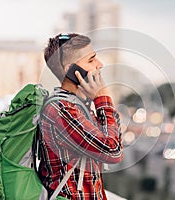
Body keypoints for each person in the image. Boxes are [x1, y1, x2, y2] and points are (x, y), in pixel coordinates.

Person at [39, 33, 124, 200]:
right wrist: (102, 98)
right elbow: (114, 152)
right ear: (71, 70)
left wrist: (98, 102)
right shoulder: (60, 110)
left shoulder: (78, 107)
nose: (100, 65)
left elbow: (113, 139)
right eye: (91, 60)